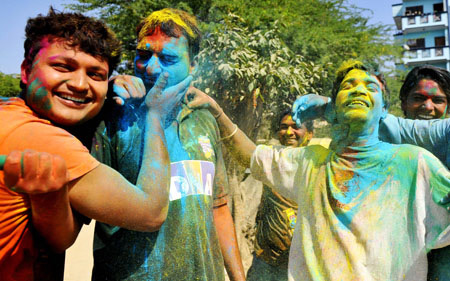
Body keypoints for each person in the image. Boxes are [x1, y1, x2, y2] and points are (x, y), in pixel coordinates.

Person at [186, 60, 450, 280]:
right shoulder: (310, 162)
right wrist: (216, 111)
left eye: (370, 87)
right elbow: (251, 156)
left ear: (384, 111)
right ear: (332, 109)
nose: (359, 90)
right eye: (349, 86)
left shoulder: (415, 164)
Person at [0, 8, 188, 280]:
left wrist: (50, 197)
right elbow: (151, 212)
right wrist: (155, 116)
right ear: (26, 71)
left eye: (95, 75)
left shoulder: (13, 116)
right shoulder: (41, 138)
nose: (79, 84)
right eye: (62, 66)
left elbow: (60, 240)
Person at [91, 8, 245, 281]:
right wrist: (103, 89)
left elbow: (217, 207)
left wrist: (238, 277)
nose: (150, 68)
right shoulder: (113, 118)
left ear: (193, 65)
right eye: (143, 55)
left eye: (168, 58)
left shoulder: (203, 118)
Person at [246, 111, 313, 281]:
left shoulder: (316, 167)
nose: (289, 132)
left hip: (302, 263)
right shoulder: (270, 162)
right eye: (284, 127)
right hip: (265, 262)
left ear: (310, 134)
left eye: (296, 127)